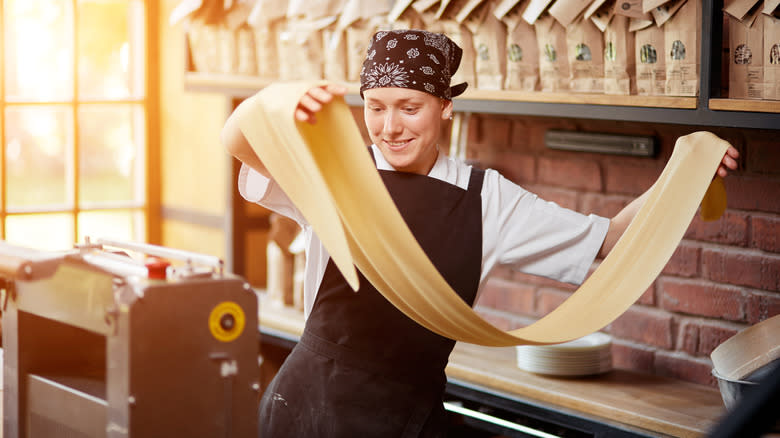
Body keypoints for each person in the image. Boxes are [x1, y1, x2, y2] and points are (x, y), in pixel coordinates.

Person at [221, 29, 739, 437]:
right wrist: (275, 100)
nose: (389, 128)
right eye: (375, 107)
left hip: (404, 412)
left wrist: (682, 175)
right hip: (305, 403)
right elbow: (238, 140)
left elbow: (608, 241)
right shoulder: (335, 173)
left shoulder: (486, 198)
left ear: (446, 105)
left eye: (409, 107)